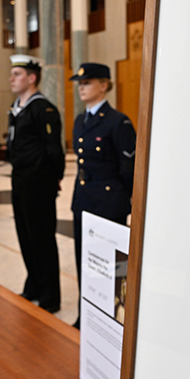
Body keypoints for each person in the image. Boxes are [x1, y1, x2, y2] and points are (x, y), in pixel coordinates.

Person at [69, 62, 137, 328]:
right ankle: (85, 312)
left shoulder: (117, 122)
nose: (81, 88)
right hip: (83, 200)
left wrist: (129, 202)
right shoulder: (79, 120)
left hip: (110, 203)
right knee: (83, 258)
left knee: (113, 264)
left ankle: (115, 313)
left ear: (104, 85)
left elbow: (129, 169)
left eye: (87, 83)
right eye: (80, 84)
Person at [6, 54, 66, 313]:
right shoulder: (16, 107)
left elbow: (54, 150)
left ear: (32, 78)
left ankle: (50, 296)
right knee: (25, 237)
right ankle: (34, 286)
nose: (11, 78)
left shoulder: (43, 109)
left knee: (42, 239)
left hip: (39, 182)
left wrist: (55, 178)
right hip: (19, 181)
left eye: (17, 74)